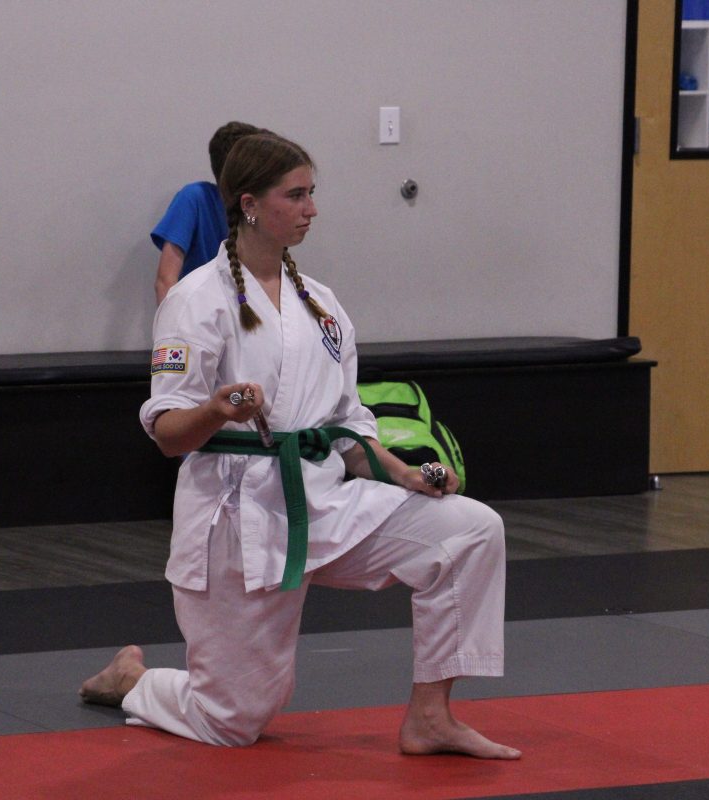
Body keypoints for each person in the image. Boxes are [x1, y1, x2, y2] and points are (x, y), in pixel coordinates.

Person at [82, 133, 520, 760]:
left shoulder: (322, 304)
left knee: (470, 530)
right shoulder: (194, 302)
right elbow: (169, 436)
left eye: (313, 193)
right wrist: (215, 407)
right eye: (297, 195)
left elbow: (348, 426)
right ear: (251, 203)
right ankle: (135, 681)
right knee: (233, 720)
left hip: (322, 502)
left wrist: (402, 473)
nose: (312, 208)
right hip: (239, 518)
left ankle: (431, 717)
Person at [151, 121, 265, 304]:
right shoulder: (194, 198)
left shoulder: (255, 209)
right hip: (197, 317)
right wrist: (172, 329)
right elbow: (165, 280)